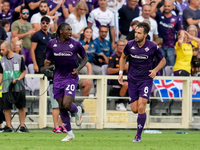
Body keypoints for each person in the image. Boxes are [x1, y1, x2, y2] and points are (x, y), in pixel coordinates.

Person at [118, 22, 166, 142]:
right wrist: (120, 72)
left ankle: (138, 136)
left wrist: (155, 70)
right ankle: (140, 118)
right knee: (134, 109)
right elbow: (123, 57)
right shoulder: (129, 45)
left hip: (146, 80)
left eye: (139, 33)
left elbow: (163, 60)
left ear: (145, 34)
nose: (136, 35)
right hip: (132, 80)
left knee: (141, 106)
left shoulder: (152, 46)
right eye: (135, 32)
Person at [45, 22, 88, 141]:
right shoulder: (51, 44)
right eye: (68, 30)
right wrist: (46, 62)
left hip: (71, 78)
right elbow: (48, 59)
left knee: (67, 104)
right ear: (61, 32)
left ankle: (77, 110)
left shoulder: (75, 44)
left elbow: (85, 57)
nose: (70, 32)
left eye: (71, 30)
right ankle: (70, 133)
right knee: (61, 107)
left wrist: (78, 69)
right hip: (58, 78)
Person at [0, 41, 28, 132]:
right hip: (6, 87)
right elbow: (1, 73)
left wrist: (18, 79)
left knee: (21, 106)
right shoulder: (1, 60)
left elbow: (24, 71)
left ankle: (22, 126)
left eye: (2, 49)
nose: (1, 51)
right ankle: (8, 126)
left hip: (18, 87)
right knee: (7, 107)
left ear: (8, 49)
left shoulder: (19, 58)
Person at [151, 0, 181, 66]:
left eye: (168, 6)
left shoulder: (176, 18)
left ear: (173, 7)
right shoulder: (159, 15)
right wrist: (157, 2)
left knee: (171, 66)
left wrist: (178, 47)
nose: (166, 7)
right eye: (165, 6)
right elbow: (150, 12)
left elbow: (179, 32)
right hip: (160, 46)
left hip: (171, 46)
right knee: (159, 65)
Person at [107, 40, 128, 111]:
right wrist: (121, 68)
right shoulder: (112, 57)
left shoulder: (127, 56)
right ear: (116, 46)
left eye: (123, 45)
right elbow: (109, 70)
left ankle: (130, 102)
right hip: (114, 78)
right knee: (126, 84)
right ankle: (120, 103)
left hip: (125, 77)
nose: (121, 47)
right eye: (119, 45)